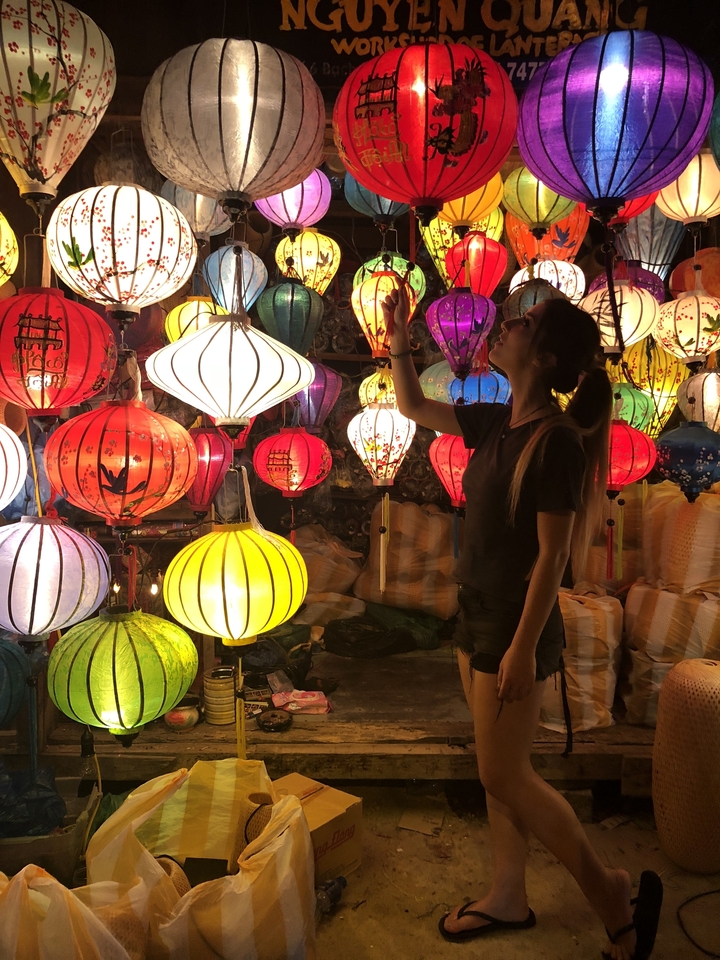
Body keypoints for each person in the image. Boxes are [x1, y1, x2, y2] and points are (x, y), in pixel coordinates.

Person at [383, 287, 663, 960]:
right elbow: (412, 406)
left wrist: (521, 645)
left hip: (516, 625)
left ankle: (611, 897)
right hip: (476, 611)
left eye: (524, 323)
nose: (504, 325)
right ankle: (508, 894)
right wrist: (397, 340)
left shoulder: (558, 443)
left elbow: (551, 561)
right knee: (497, 771)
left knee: (505, 774)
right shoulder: (496, 421)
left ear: (542, 355)